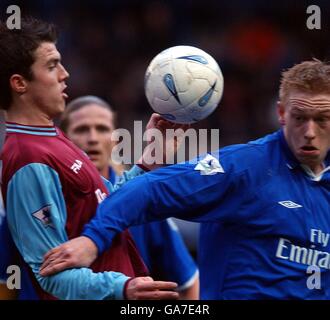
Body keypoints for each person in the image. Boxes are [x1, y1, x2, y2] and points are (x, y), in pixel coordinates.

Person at [41, 59, 330, 299]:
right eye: (299, 117)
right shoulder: (242, 168)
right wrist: (93, 240)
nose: (309, 131)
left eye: (322, 119)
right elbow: (145, 190)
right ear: (281, 113)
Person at [0, 17, 182, 300]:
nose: (65, 74)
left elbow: (103, 205)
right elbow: (52, 274)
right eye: (52, 65)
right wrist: (121, 288)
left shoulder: (51, 136)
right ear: (19, 83)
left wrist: (149, 161)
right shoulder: (28, 158)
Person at [59, 95, 199, 299]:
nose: (93, 138)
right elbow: (8, 281)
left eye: (102, 129)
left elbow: (189, 282)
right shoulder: (41, 197)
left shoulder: (144, 201)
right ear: (65, 141)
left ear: (116, 141)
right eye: (81, 129)